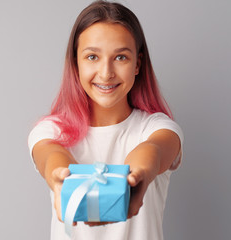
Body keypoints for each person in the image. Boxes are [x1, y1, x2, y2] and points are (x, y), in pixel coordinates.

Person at [28, 1, 184, 239]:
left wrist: (137, 176)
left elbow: (152, 151)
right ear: (75, 63)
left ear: (137, 64)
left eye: (120, 57)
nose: (106, 72)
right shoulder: (50, 131)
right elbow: (52, 159)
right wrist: (59, 176)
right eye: (92, 57)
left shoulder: (158, 128)